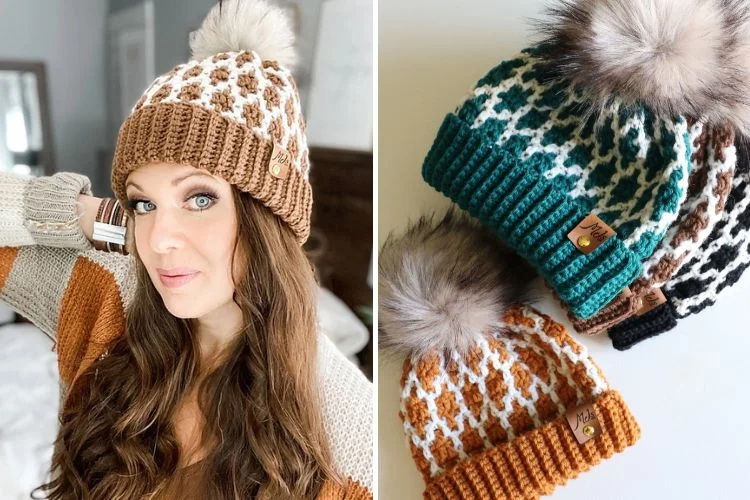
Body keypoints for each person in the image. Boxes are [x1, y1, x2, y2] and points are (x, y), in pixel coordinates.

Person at [0, 0, 372, 498]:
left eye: (199, 198)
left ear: (267, 218)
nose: (160, 240)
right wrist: (104, 219)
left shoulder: (352, 432)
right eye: (144, 202)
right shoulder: (106, 301)